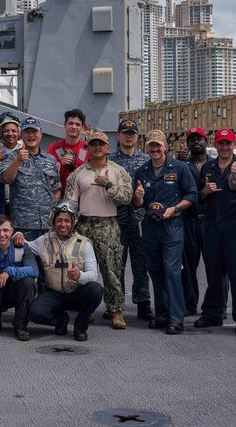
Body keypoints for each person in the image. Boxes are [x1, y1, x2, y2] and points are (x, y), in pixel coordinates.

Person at [63, 131, 133, 329]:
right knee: (83, 270)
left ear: (107, 148)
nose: (97, 147)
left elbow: (127, 197)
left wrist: (108, 185)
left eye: (101, 144)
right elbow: (70, 201)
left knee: (111, 270)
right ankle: (88, 308)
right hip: (84, 225)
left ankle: (116, 311)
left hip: (108, 225)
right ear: (88, 147)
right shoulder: (79, 173)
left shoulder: (118, 171)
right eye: (93, 144)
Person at [133, 129, 197, 334]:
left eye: (158, 145)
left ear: (165, 147)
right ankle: (161, 315)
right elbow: (137, 204)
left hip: (172, 227)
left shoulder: (179, 168)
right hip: (151, 228)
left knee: (171, 272)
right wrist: (138, 196)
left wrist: (176, 208)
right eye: (151, 145)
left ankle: (176, 319)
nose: (155, 149)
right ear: (147, 147)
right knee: (156, 272)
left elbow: (192, 195)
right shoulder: (142, 171)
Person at [196, 129, 236, 330]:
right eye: (221, 143)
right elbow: (199, 197)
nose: (224, 147)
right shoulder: (208, 167)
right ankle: (213, 313)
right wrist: (204, 192)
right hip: (212, 225)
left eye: (228, 143)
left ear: (234, 144)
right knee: (214, 273)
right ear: (215, 144)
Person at [26, 200, 103, 342]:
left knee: (95, 290)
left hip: (75, 292)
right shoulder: (44, 240)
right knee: (35, 313)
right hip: (52, 293)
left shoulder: (83, 244)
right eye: (59, 220)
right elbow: (26, 245)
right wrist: (16, 236)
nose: (63, 225)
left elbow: (93, 274)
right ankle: (61, 320)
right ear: (53, 221)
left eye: (67, 221)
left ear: (73, 222)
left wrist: (79, 275)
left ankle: (80, 327)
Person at [108, 119, 153, 321]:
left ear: (137, 137)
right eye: (125, 133)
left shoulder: (146, 159)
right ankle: (115, 304)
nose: (128, 136)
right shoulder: (109, 160)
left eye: (132, 133)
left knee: (140, 263)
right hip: (115, 217)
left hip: (140, 217)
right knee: (116, 263)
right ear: (118, 135)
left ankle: (143, 302)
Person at [1, 116, 62, 241]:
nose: (31, 135)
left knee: (47, 260)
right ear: (21, 135)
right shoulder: (12, 157)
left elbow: (56, 190)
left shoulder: (50, 160)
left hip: (47, 224)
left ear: (41, 134)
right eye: (27, 132)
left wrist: (54, 216)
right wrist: (17, 160)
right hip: (22, 226)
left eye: (34, 132)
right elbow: (6, 179)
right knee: (24, 260)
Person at [181, 127, 214, 316]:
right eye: (192, 139)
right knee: (188, 266)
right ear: (188, 144)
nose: (196, 142)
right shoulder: (183, 167)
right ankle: (189, 303)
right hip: (189, 220)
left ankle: (215, 304)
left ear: (206, 141)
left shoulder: (216, 165)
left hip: (211, 222)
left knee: (215, 266)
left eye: (199, 139)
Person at [48, 108, 89, 190]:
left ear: (82, 127)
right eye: (70, 123)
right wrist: (61, 163)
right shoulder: (53, 148)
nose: (74, 127)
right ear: (64, 125)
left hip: (82, 195)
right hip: (59, 195)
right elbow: (47, 174)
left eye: (77, 124)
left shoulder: (89, 148)